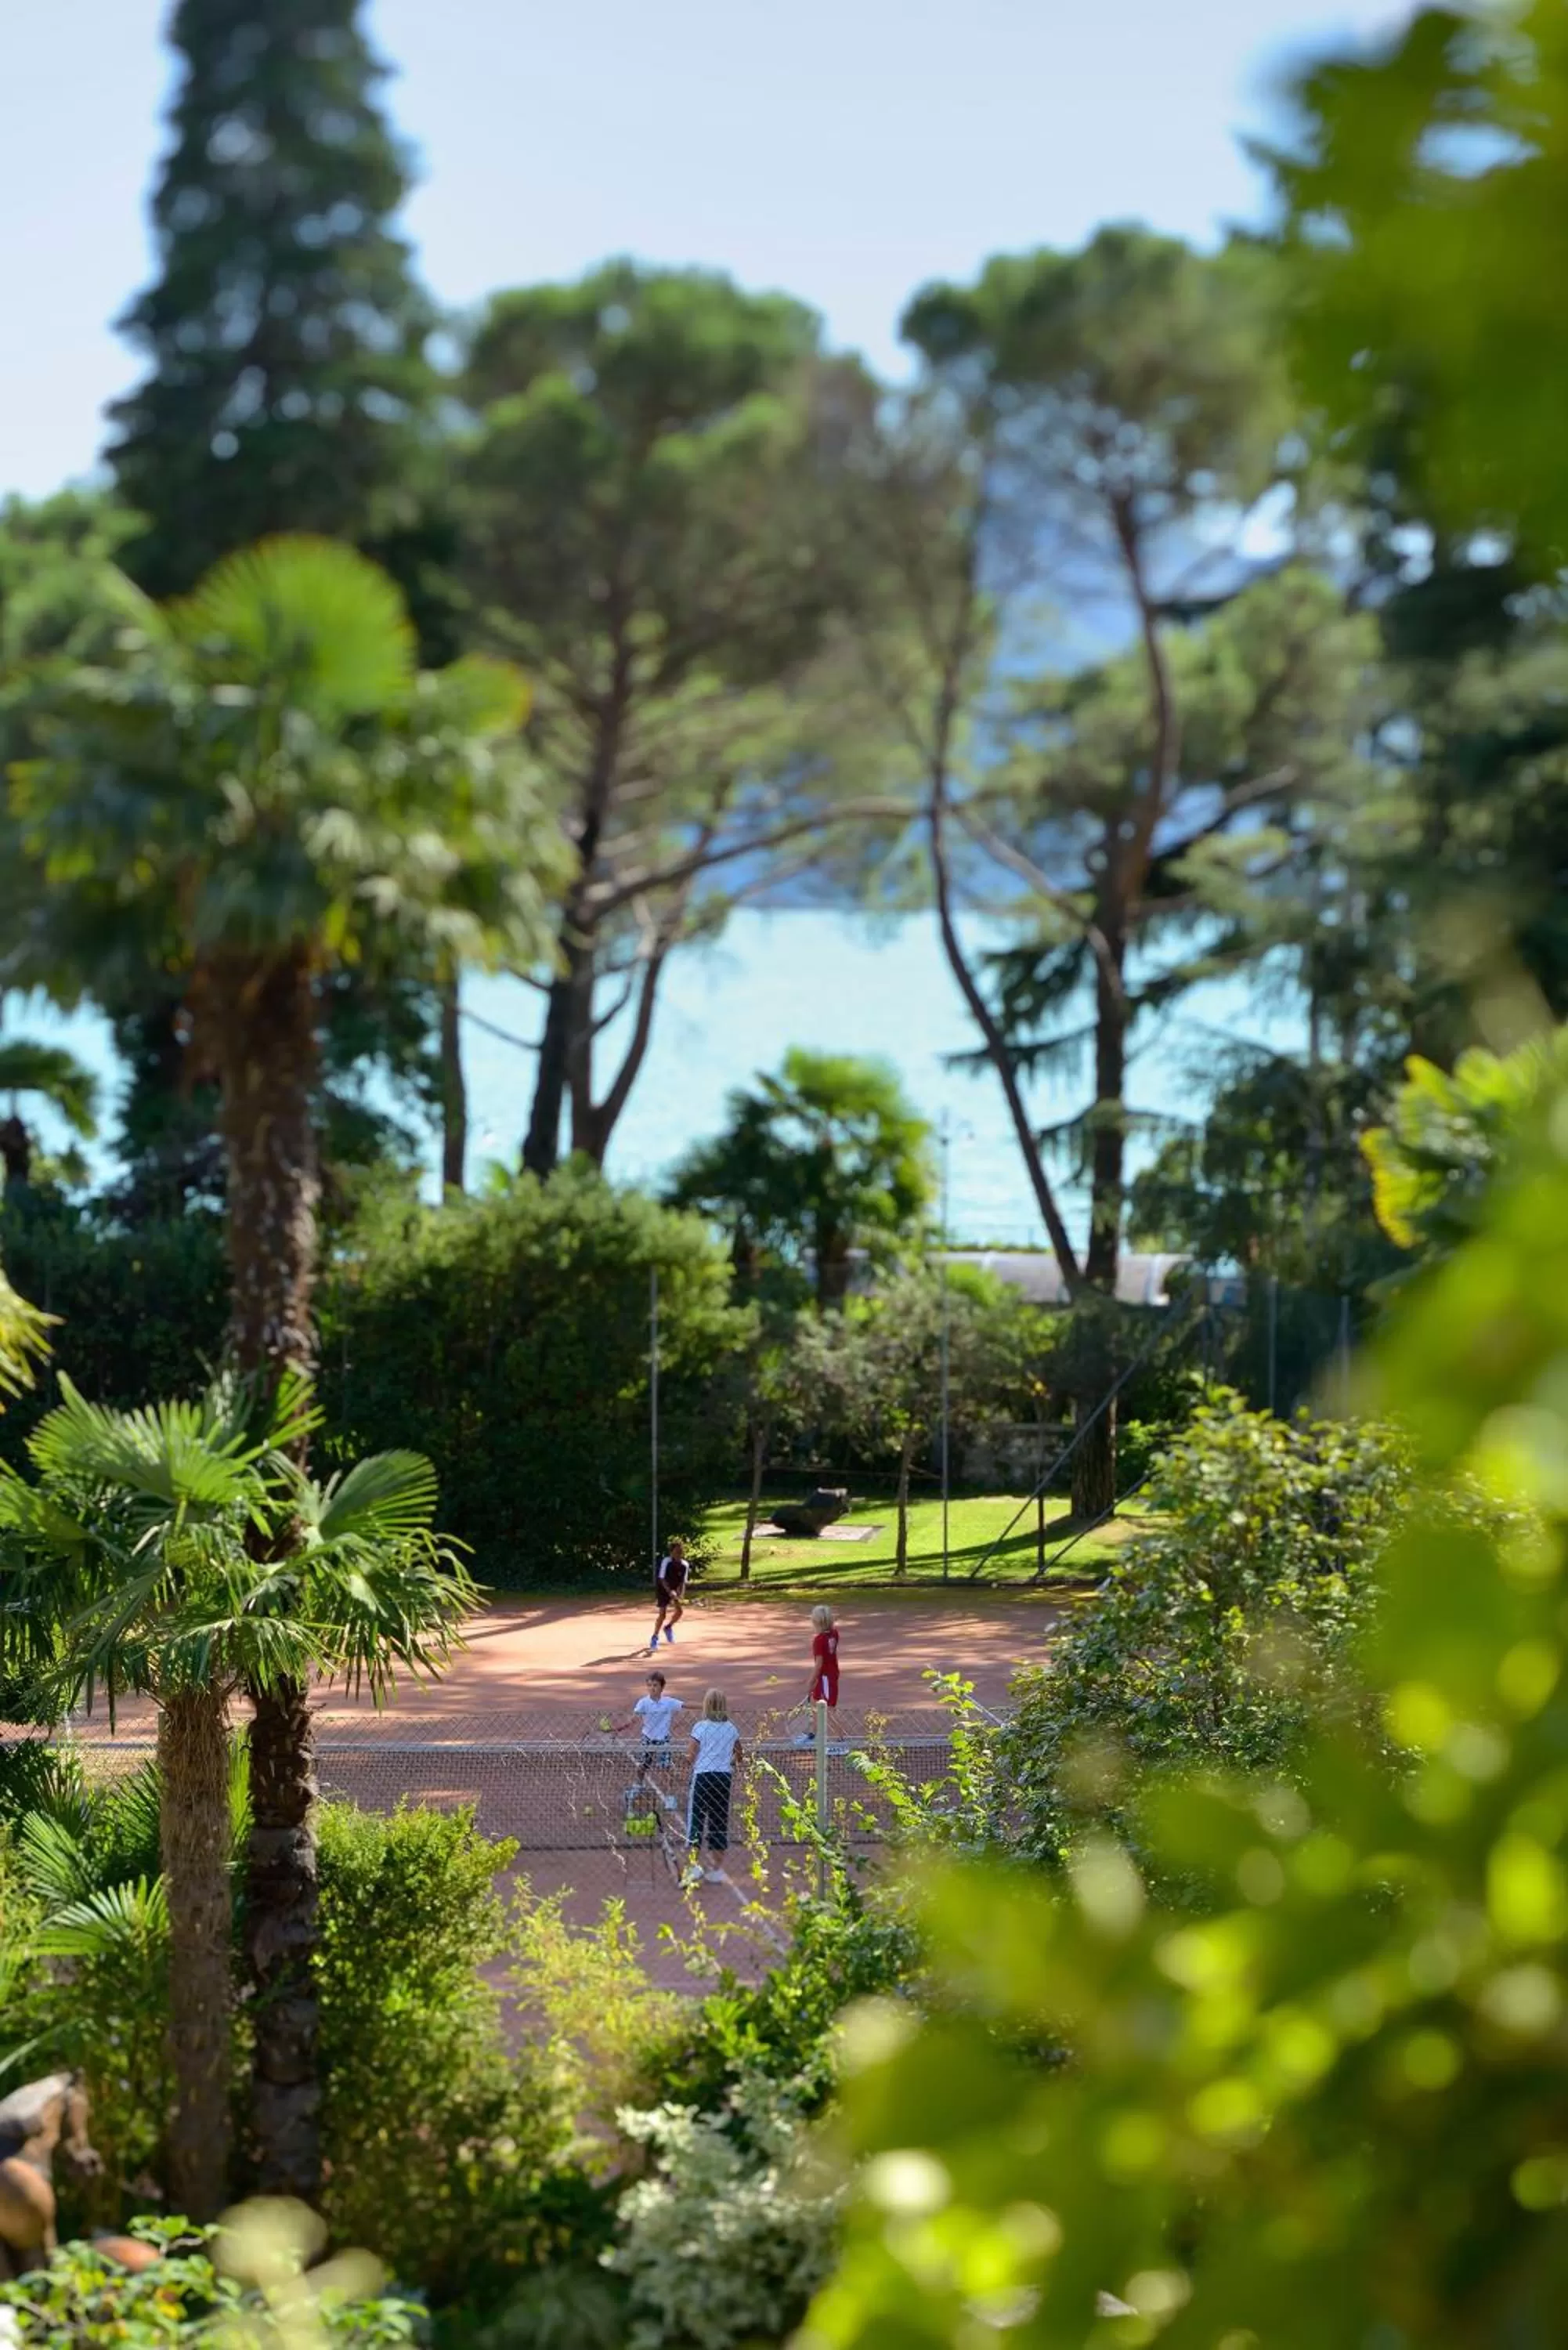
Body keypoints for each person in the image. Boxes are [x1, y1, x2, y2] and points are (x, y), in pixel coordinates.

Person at [685, 1687, 742, 1884]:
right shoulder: (731, 1728)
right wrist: (731, 1762)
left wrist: (686, 1762)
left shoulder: (700, 1727)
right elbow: (739, 1754)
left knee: (696, 1820)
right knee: (719, 1820)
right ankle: (717, 1870)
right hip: (723, 1778)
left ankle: (693, 1867)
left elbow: (691, 1755)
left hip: (703, 1778)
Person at [612, 1669, 683, 1810]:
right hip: (648, 1739)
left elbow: (685, 1705)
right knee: (643, 1765)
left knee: (666, 1768)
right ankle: (638, 1785)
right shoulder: (643, 1703)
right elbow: (634, 1718)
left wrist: (707, 1706)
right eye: (649, 1685)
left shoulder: (669, 1702)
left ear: (662, 1687)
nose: (652, 1688)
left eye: (655, 1685)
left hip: (663, 1740)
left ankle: (669, 1797)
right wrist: (622, 1726)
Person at [795, 1603, 842, 1742]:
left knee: (828, 1708)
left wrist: (811, 1681)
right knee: (815, 1703)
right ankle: (813, 1734)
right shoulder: (834, 1634)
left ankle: (841, 1738)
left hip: (826, 1677)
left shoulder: (819, 1640)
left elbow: (819, 1664)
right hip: (830, 1675)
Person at [651, 1536, 689, 1650]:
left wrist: (680, 1594)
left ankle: (668, 1627)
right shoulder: (666, 1561)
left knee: (680, 1612)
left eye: (681, 1552)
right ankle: (655, 1637)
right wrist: (670, 1592)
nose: (679, 1554)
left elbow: (682, 1582)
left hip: (674, 1590)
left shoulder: (685, 1565)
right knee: (662, 1615)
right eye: (677, 1552)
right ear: (671, 1552)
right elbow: (662, 1579)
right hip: (663, 1589)